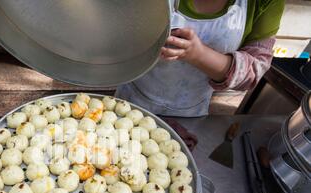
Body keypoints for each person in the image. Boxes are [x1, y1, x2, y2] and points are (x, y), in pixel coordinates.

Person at [116, 0, 285, 117]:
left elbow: (252, 74)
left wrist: (199, 55)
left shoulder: (265, 3)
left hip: (189, 113)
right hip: (130, 101)